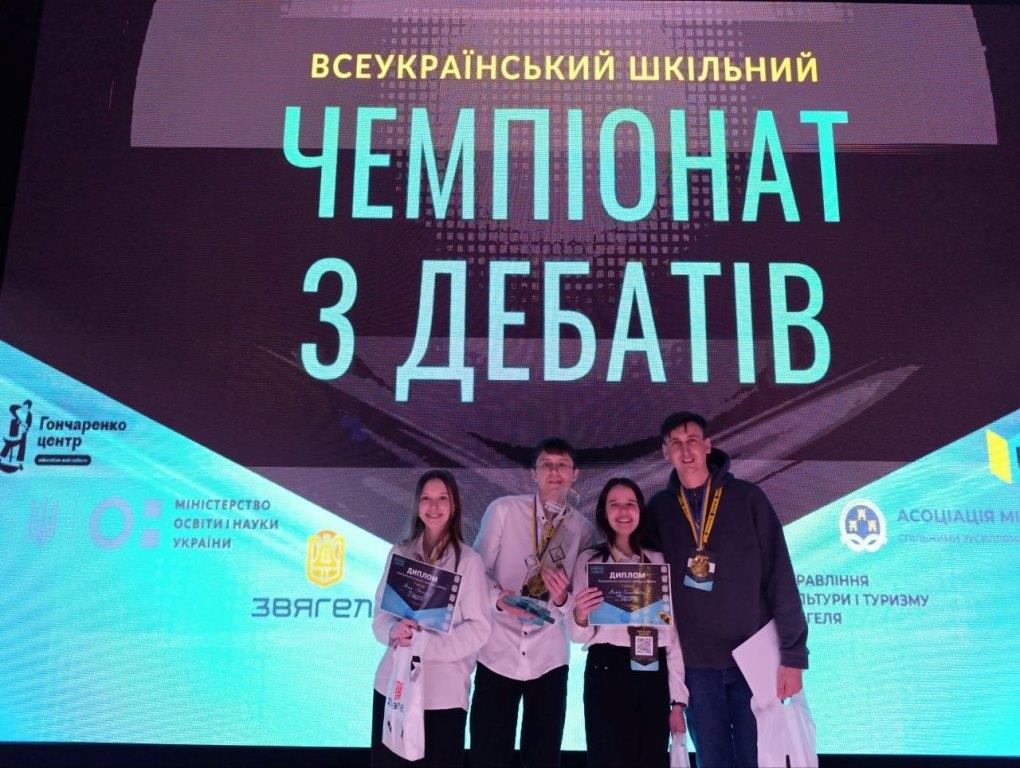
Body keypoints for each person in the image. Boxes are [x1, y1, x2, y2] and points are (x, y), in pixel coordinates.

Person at [645, 412, 808, 768]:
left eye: (692, 441)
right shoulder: (659, 509)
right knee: (712, 760)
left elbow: (780, 576)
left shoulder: (748, 499)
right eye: (676, 444)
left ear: (707, 446)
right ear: (666, 453)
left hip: (754, 658)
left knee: (758, 759)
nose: (685, 450)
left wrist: (793, 655)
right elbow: (646, 583)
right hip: (696, 665)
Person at [470, 437, 597, 768]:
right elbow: (475, 572)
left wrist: (563, 598)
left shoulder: (582, 530)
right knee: (487, 755)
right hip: (497, 651)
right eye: (546, 465)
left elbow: (578, 599)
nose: (554, 472)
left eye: (562, 465)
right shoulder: (504, 510)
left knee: (543, 758)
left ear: (575, 474)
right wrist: (498, 600)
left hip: (549, 657)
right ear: (533, 473)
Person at [371, 469, 491, 768]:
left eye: (442, 498)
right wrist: (394, 631)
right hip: (393, 685)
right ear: (417, 505)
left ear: (454, 506)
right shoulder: (400, 552)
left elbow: (479, 629)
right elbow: (380, 616)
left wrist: (424, 645)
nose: (433, 506)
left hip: (443, 695)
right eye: (426, 498)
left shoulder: (469, 561)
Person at [570, 478, 688, 768]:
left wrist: (677, 702)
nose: (623, 512)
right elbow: (578, 636)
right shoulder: (589, 560)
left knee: (651, 759)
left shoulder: (658, 560)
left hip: (651, 669)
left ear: (640, 510)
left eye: (630, 504)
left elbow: (672, 638)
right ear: (604, 512)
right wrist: (580, 614)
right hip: (605, 670)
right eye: (615, 505)